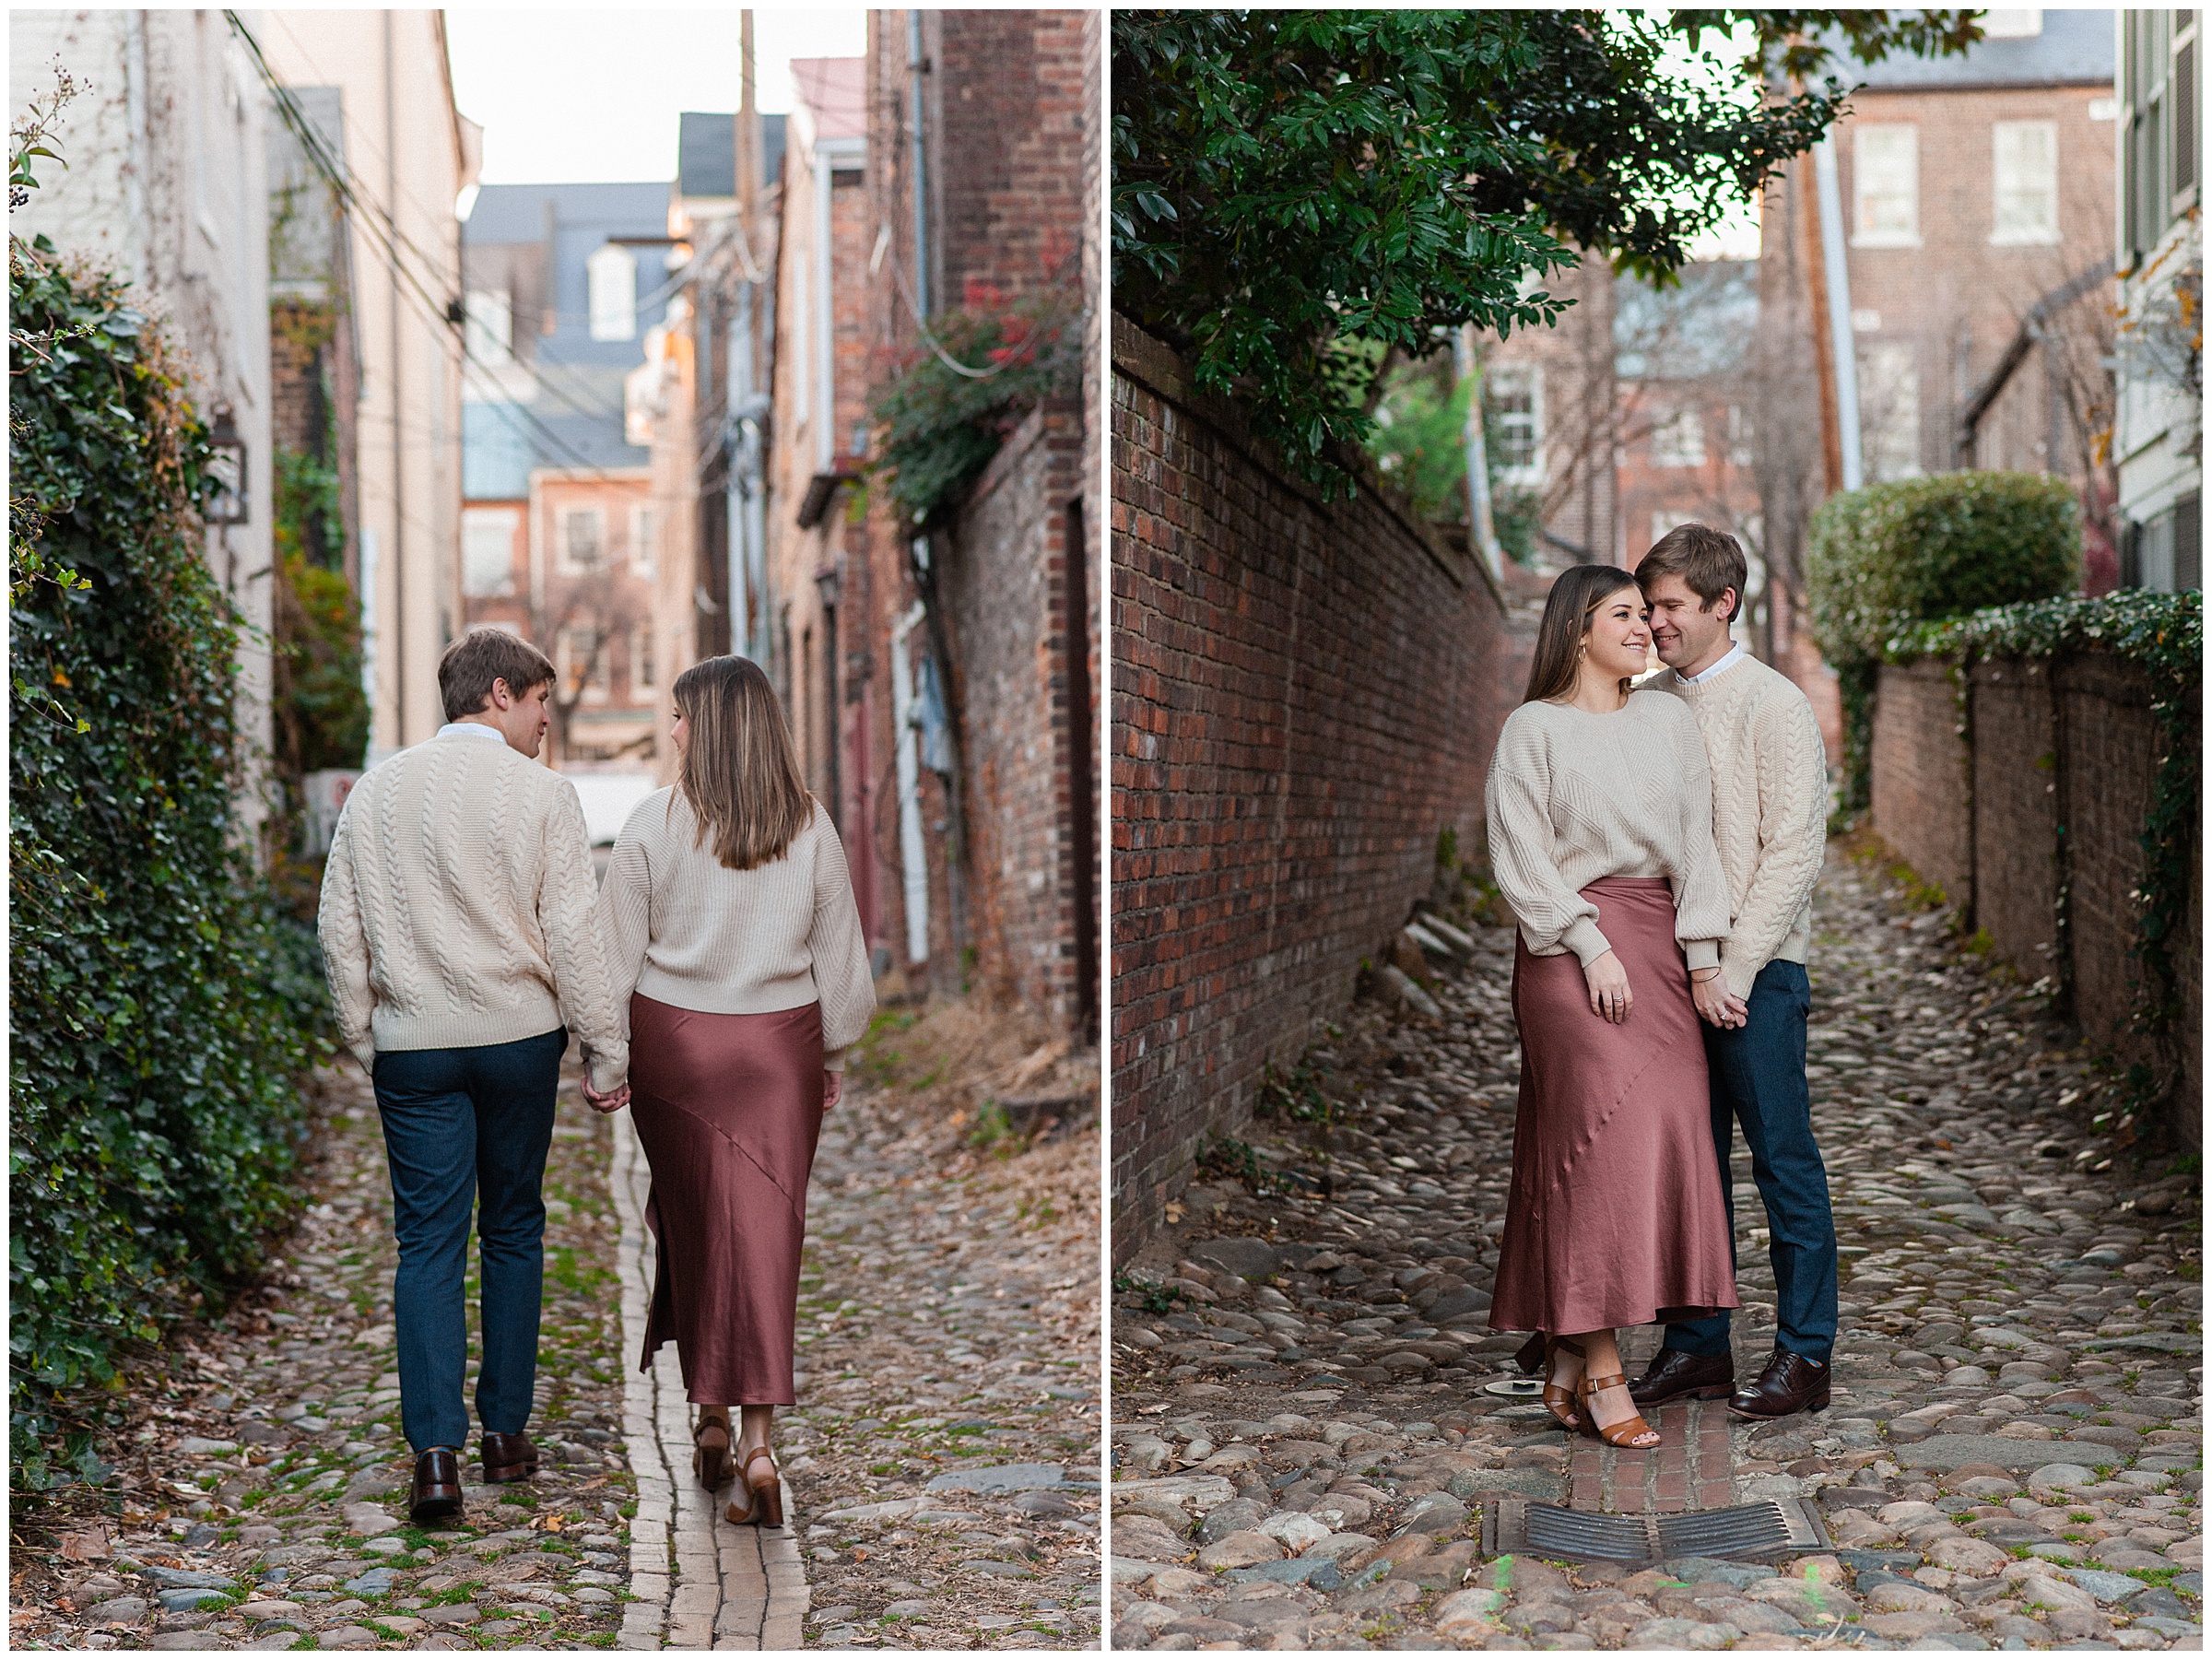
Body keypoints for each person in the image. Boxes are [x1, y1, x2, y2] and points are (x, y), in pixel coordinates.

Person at [318, 630, 629, 1525]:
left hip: (415, 1045)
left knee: (427, 1242)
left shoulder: (378, 791)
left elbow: (340, 933)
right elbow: (574, 934)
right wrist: (606, 1049)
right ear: (499, 693)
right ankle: (505, 1433)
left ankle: (436, 1458)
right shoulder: (543, 796)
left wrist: (365, 1039)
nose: (545, 724)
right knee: (516, 1225)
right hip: (520, 1039)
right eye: (540, 703)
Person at [589, 655, 876, 1527]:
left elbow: (610, 965)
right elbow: (848, 980)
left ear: (707, 726)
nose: (671, 730)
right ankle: (754, 1440)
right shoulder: (812, 828)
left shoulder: (649, 826)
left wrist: (607, 1060)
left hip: (674, 1050)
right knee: (765, 1234)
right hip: (777, 1049)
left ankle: (710, 1414)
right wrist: (825, 1051)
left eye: (679, 716)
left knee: (691, 1218)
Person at [1483, 564, 1741, 1449]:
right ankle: (1602, 1367)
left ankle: (1567, 1342)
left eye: (1647, 613)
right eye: (1626, 614)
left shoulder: (1667, 718)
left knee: (1664, 1133)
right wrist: (1588, 943)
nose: (1646, 629)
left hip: (1660, 943)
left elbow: (1697, 844)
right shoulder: (1533, 730)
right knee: (1589, 1152)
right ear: (1578, 627)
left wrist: (1703, 955)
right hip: (1566, 953)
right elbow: (1521, 862)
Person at [1631, 524, 1836, 1421]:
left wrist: (1734, 968)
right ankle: (1699, 1344)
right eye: (1649, 606)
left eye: (1671, 605)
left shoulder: (1774, 707)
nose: (1657, 622)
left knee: (1782, 1163)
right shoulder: (1644, 703)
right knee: (1689, 1169)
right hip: (1671, 977)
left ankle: (1805, 1356)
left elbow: (1792, 853)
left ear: (1724, 603)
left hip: (1759, 977)